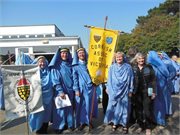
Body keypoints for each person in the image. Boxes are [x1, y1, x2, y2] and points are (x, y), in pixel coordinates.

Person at [104, 52, 134, 134]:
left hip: (125, 90)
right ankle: (115, 122)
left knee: (124, 107)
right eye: (117, 57)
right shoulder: (112, 67)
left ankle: (124, 124)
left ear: (123, 57)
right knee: (114, 107)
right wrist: (107, 87)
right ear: (115, 58)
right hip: (114, 90)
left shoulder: (128, 67)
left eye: (120, 57)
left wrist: (131, 90)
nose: (119, 58)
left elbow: (131, 79)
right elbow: (109, 78)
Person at [49, 48, 74, 134]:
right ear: (59, 54)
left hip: (70, 90)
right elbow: (55, 79)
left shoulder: (71, 64)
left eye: (66, 53)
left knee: (70, 109)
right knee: (60, 109)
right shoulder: (56, 65)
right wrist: (60, 91)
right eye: (63, 53)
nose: (64, 55)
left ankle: (69, 124)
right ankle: (59, 126)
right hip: (61, 91)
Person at [72, 47, 98, 130]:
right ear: (77, 55)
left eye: (83, 53)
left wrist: (96, 81)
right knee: (80, 106)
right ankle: (82, 122)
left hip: (90, 88)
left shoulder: (89, 64)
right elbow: (75, 78)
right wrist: (76, 89)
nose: (81, 54)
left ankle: (88, 121)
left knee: (89, 105)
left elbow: (95, 74)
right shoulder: (75, 66)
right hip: (81, 88)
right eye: (79, 53)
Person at [131, 53, 156, 135]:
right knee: (138, 111)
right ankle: (141, 125)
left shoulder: (149, 67)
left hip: (147, 91)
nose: (141, 60)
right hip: (136, 92)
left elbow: (153, 80)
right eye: (139, 59)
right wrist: (130, 91)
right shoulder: (133, 68)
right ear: (136, 60)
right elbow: (130, 80)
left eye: (142, 58)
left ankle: (148, 127)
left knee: (147, 110)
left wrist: (153, 92)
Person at [29, 56, 53, 134]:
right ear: (37, 63)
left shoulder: (49, 71)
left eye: (43, 62)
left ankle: (45, 129)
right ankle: (38, 129)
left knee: (47, 114)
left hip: (49, 97)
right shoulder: (33, 73)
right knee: (38, 114)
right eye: (40, 62)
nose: (42, 63)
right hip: (38, 98)